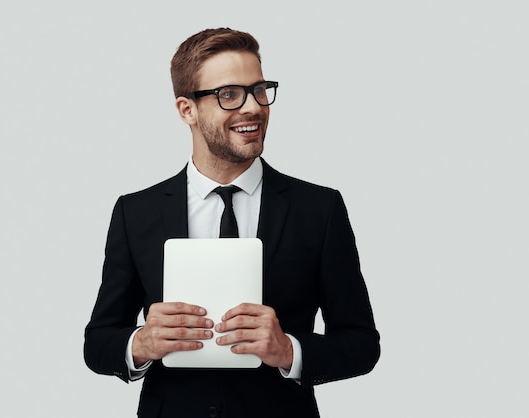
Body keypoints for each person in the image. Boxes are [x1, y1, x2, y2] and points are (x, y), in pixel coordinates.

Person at [84, 27, 380, 418]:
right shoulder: (135, 212)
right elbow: (98, 343)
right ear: (187, 110)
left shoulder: (319, 209)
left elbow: (361, 344)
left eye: (259, 89)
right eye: (229, 94)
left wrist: (290, 351)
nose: (254, 107)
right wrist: (140, 344)